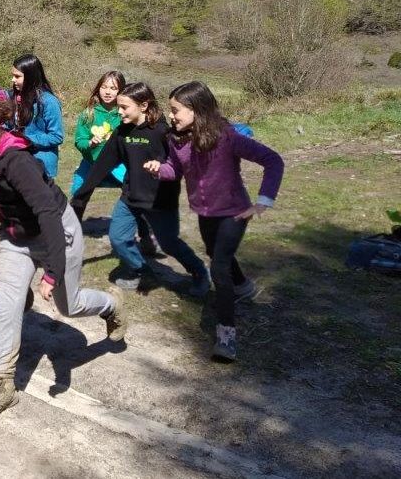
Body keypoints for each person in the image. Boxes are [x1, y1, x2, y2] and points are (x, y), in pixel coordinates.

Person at [0, 109, 126, 421]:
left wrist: (53, 271)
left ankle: (111, 305)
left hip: (56, 232)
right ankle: (3, 384)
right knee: (7, 305)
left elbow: (48, 215)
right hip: (17, 237)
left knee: (68, 305)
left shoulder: (18, 163)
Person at [145, 81, 284, 362]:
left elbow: (273, 160)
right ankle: (243, 286)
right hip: (205, 212)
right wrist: (160, 169)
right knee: (215, 253)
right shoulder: (176, 139)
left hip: (235, 212)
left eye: (176, 110)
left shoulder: (227, 137)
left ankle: (226, 336)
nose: (171, 116)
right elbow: (175, 170)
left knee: (218, 267)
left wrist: (264, 201)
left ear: (196, 110)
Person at [70, 82, 209, 295]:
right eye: (119, 106)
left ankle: (199, 272)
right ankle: (141, 269)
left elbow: (184, 162)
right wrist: (82, 195)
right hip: (130, 197)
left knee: (170, 243)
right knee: (118, 238)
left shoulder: (163, 132)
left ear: (143, 106)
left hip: (160, 201)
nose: (119, 111)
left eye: (124, 107)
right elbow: (101, 165)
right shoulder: (121, 133)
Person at [71, 71, 157, 257]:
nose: (107, 92)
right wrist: (90, 143)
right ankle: (70, 233)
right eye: (104, 87)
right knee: (79, 190)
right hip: (92, 162)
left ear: (122, 91)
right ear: (98, 88)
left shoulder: (125, 113)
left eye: (113, 88)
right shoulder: (88, 114)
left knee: (134, 194)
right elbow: (79, 141)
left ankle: (146, 236)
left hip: (119, 164)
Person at [10, 54, 63, 180]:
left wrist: (26, 139)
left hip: (41, 167)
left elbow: (56, 136)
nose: (13, 80)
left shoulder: (49, 102)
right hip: (19, 163)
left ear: (30, 77)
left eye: (17, 76)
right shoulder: (14, 97)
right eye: (12, 76)